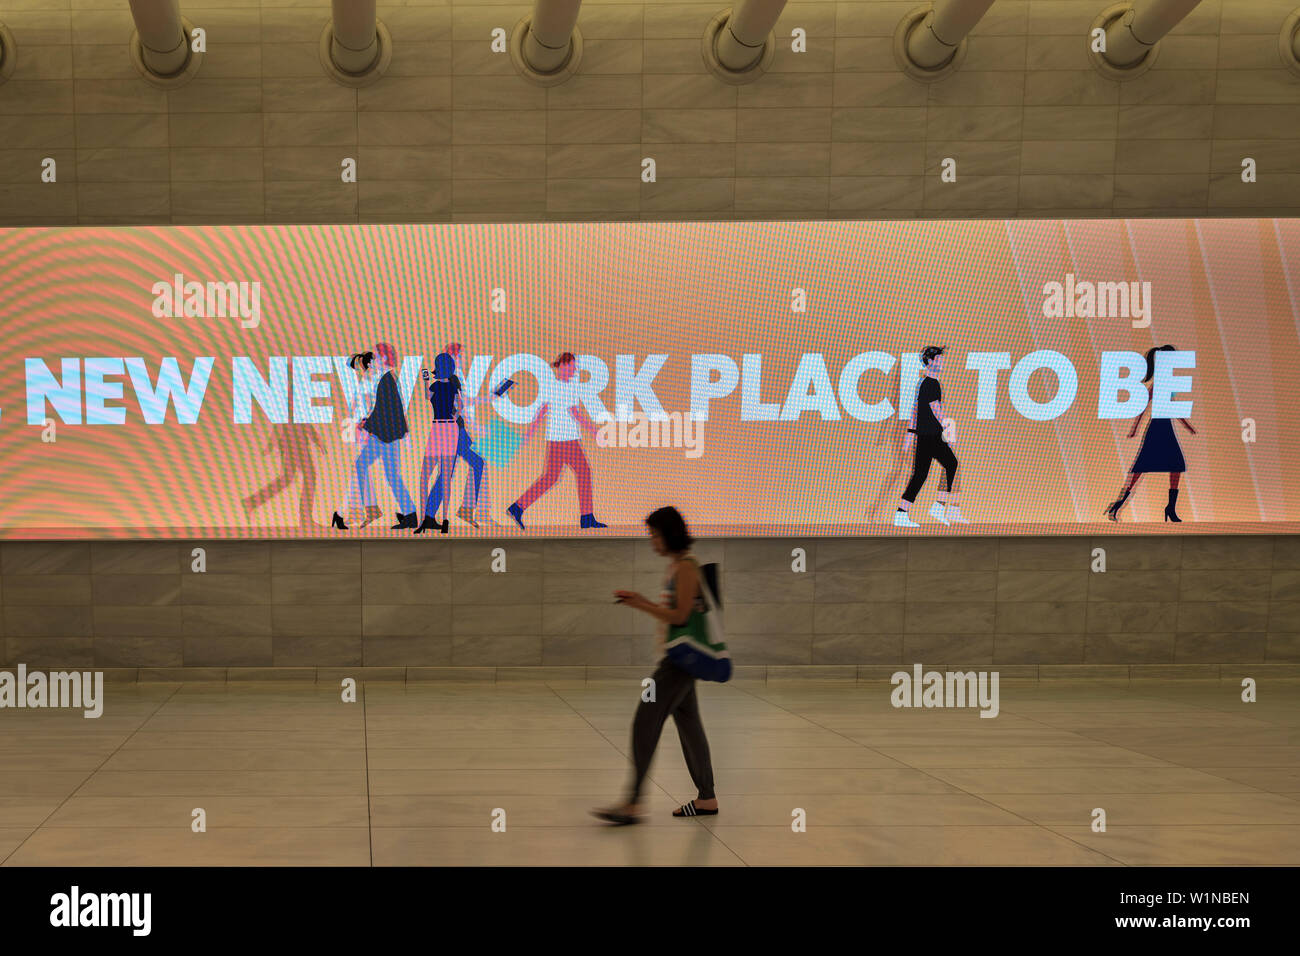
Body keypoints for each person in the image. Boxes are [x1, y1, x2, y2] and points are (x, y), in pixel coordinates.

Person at [593, 507, 718, 825]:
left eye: (655, 535)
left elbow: (679, 618)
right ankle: (706, 798)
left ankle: (633, 804)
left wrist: (641, 603)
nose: (652, 541)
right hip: (676, 660)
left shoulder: (687, 567)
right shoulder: (677, 566)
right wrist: (642, 601)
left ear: (670, 534)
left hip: (678, 663)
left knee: (644, 722)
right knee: (690, 725)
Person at [506, 352, 607, 531]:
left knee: (555, 477)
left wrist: (529, 433)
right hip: (565, 441)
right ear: (562, 366)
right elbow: (574, 413)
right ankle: (586, 518)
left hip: (560, 440)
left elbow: (541, 412)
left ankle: (517, 507)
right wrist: (593, 431)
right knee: (579, 473)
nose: (575, 370)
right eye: (572, 366)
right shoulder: (563, 387)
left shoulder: (555, 386)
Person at [1105, 344, 1198, 522]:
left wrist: (1187, 425)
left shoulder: (1166, 383)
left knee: (1176, 466)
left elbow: (1173, 408)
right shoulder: (1160, 384)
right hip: (1157, 430)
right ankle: (1117, 505)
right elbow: (1144, 406)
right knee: (1141, 469)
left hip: (1166, 429)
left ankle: (1170, 508)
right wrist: (1135, 428)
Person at [895, 347, 967, 528]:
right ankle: (937, 507)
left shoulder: (924, 383)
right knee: (948, 465)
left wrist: (910, 435)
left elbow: (916, 411)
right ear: (931, 361)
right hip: (931, 436)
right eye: (940, 359)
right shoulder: (931, 384)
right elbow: (936, 411)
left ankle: (904, 513)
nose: (943, 362)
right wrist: (948, 429)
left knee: (923, 473)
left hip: (927, 436)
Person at [356, 341, 418, 529]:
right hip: (386, 435)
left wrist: (366, 425)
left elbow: (390, 411)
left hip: (385, 437)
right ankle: (408, 514)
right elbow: (391, 409)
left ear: (382, 358)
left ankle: (404, 514)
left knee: (386, 474)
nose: (371, 360)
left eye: (374, 356)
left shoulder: (387, 380)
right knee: (388, 475)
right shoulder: (387, 378)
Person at [416, 351, 478, 534]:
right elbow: (460, 405)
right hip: (447, 429)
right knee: (440, 477)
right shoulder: (449, 386)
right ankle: (441, 521)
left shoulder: (438, 386)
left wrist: (425, 381)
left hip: (440, 429)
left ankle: (430, 521)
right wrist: (456, 415)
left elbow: (429, 398)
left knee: (429, 477)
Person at [332, 350, 384, 531]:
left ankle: (360, 510)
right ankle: (341, 513)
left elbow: (357, 405)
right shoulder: (370, 382)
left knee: (362, 472)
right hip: (366, 430)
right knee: (361, 471)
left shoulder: (367, 382)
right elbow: (370, 407)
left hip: (363, 429)